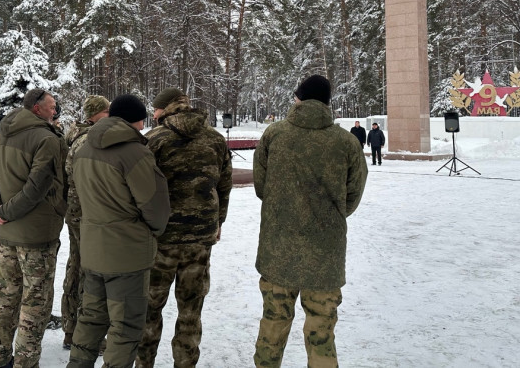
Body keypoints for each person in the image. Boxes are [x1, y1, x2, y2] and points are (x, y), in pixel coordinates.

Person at [253, 75, 367, 368]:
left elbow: (261, 187)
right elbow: (351, 198)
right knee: (322, 333)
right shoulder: (346, 142)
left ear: (299, 98)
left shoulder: (274, 135)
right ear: (328, 102)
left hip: (278, 250)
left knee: (273, 326)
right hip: (325, 254)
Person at [67, 94, 170, 368]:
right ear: (139, 120)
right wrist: (152, 230)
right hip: (126, 254)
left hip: (93, 249)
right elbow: (155, 207)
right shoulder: (135, 152)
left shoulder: (84, 148)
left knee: (90, 318)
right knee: (125, 329)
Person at [137, 88, 232, 368]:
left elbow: (139, 189)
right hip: (200, 239)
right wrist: (218, 222)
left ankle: (143, 363)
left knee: (149, 310)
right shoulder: (215, 140)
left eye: (154, 110)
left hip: (159, 239)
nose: (152, 115)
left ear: (163, 109)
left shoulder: (153, 140)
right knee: (191, 311)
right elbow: (224, 186)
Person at [0, 88, 68, 368]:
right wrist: (2, 212)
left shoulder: (4, 134)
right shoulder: (46, 138)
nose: (55, 111)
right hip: (35, 234)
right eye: (52, 106)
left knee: (6, 297)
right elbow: (37, 187)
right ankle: (25, 362)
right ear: (36, 108)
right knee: (35, 302)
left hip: (8, 232)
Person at [61, 94, 110, 350]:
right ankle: (80, 332)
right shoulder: (89, 140)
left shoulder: (75, 136)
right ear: (97, 113)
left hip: (77, 211)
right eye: (106, 111)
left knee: (76, 265)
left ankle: (72, 328)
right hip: (86, 214)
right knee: (86, 271)